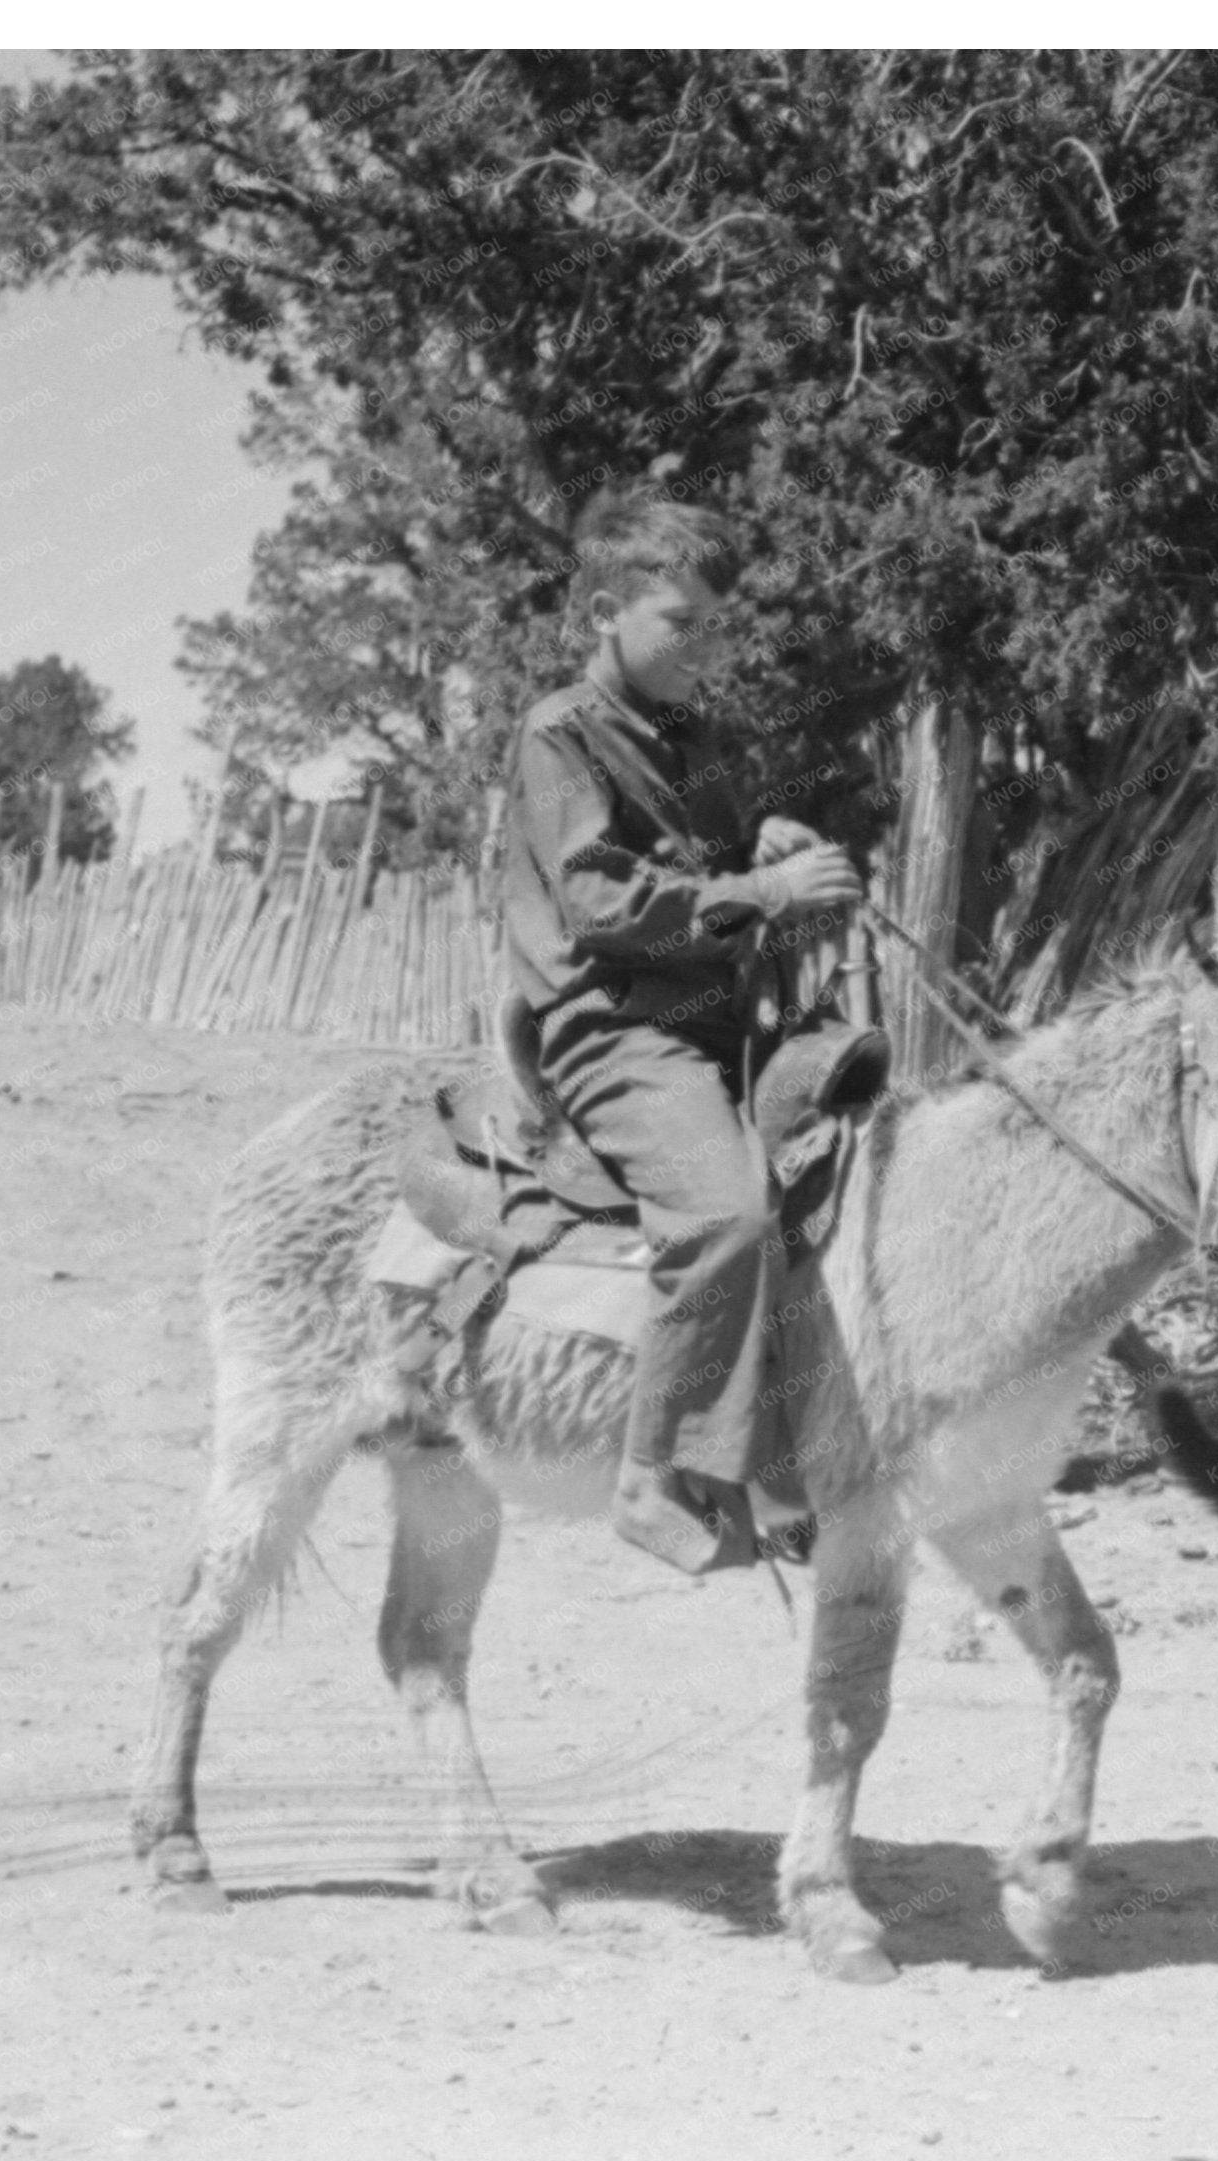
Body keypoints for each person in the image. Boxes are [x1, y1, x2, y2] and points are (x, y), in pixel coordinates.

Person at [478, 486, 859, 1573]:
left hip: (724, 1013)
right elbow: (601, 903)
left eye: (716, 625)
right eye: (680, 623)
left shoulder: (700, 734)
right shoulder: (558, 734)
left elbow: (719, 851)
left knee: (849, 1177)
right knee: (729, 1214)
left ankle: (789, 1459)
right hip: (618, 1025)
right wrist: (767, 893)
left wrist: (768, 841)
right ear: (605, 608)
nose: (706, 646)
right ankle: (652, 1472)